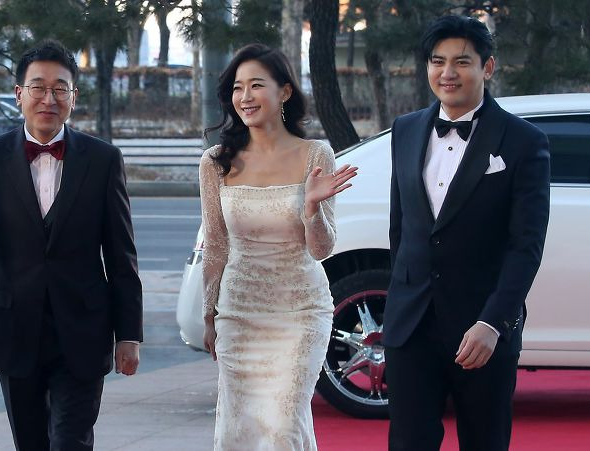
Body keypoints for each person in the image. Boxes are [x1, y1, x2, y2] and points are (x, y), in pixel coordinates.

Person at [0, 39, 143, 451]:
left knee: (71, 442)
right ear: (19, 93)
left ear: (74, 96)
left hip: (83, 330)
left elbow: (121, 254)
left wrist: (129, 334)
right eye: (38, 87)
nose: (48, 99)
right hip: (13, 329)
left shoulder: (103, 160)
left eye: (59, 89)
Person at [384, 15, 550, 451]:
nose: (447, 73)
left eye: (461, 62)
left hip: (482, 330)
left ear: (487, 67)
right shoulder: (405, 129)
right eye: (437, 61)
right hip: (411, 327)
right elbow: (401, 229)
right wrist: (399, 303)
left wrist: (493, 322)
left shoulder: (524, 141)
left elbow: (526, 246)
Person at [199, 43, 357, 450]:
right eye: (237, 87)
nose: (245, 97)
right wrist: (209, 314)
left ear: (284, 91)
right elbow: (215, 245)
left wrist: (310, 208)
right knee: (241, 431)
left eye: (256, 85)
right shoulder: (216, 161)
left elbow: (322, 249)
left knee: (283, 427)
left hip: (300, 311)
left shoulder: (315, 154)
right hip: (239, 313)